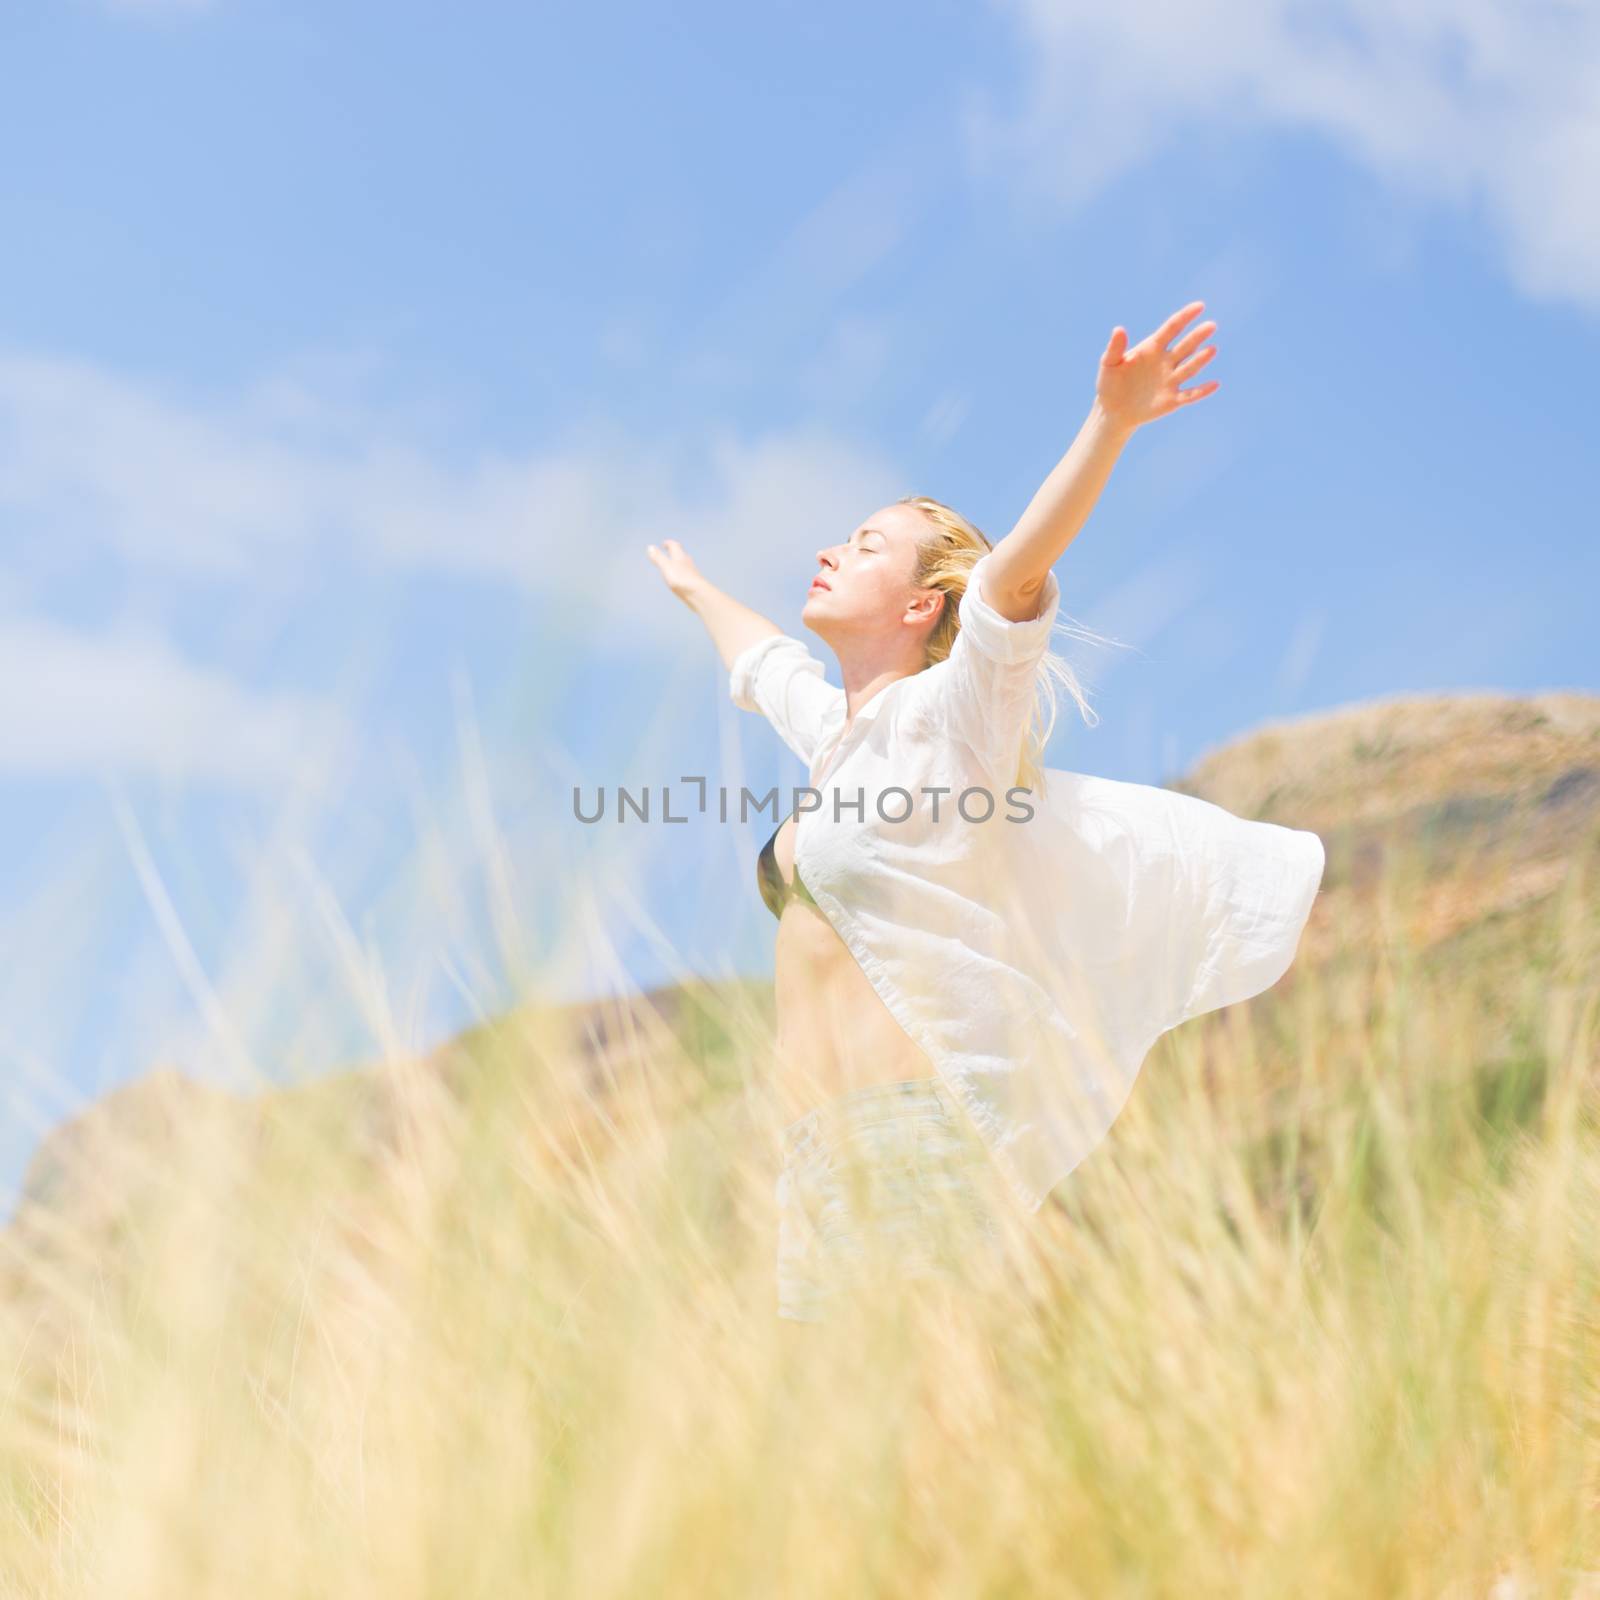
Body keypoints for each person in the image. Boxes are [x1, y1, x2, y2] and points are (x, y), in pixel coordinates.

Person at [646, 301, 1325, 1324]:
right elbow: (762, 665)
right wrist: (694, 587)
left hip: (915, 1136)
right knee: (864, 1470)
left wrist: (1111, 423)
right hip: (818, 1153)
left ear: (921, 605)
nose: (832, 551)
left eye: (866, 545)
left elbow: (1011, 577)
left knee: (923, 1448)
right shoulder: (840, 741)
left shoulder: (958, 716)